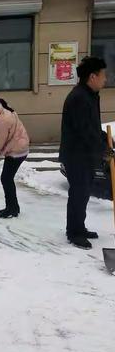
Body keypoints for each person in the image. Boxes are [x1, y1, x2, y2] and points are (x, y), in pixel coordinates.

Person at [59, 56, 108, 249]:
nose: (106, 79)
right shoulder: (79, 98)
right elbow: (84, 131)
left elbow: (93, 128)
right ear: (92, 76)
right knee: (78, 194)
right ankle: (74, 232)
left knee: (83, 193)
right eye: (103, 75)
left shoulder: (89, 95)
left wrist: (105, 140)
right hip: (76, 156)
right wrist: (103, 149)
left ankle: (79, 227)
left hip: (84, 155)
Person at [0, 95, 30, 219]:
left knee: (6, 179)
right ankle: (13, 207)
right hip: (18, 147)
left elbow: (0, 141)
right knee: (7, 179)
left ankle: (12, 208)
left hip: (16, 151)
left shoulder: (2, 120)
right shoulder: (2, 113)